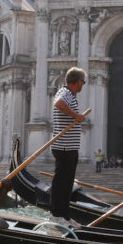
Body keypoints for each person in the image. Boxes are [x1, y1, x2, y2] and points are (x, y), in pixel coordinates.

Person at [50, 67, 88, 226]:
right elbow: (59, 104)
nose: (83, 85)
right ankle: (55, 215)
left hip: (70, 147)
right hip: (64, 146)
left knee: (67, 183)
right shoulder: (64, 92)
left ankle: (65, 216)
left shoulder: (69, 94)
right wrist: (76, 116)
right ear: (78, 81)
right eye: (83, 82)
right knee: (61, 183)